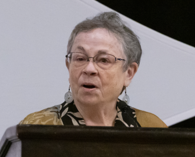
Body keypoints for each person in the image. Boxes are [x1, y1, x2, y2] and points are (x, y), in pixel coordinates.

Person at [20, 12, 167, 128]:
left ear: (129, 73)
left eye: (103, 60)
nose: (89, 69)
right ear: (68, 66)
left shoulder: (150, 127)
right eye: (80, 58)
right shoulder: (38, 126)